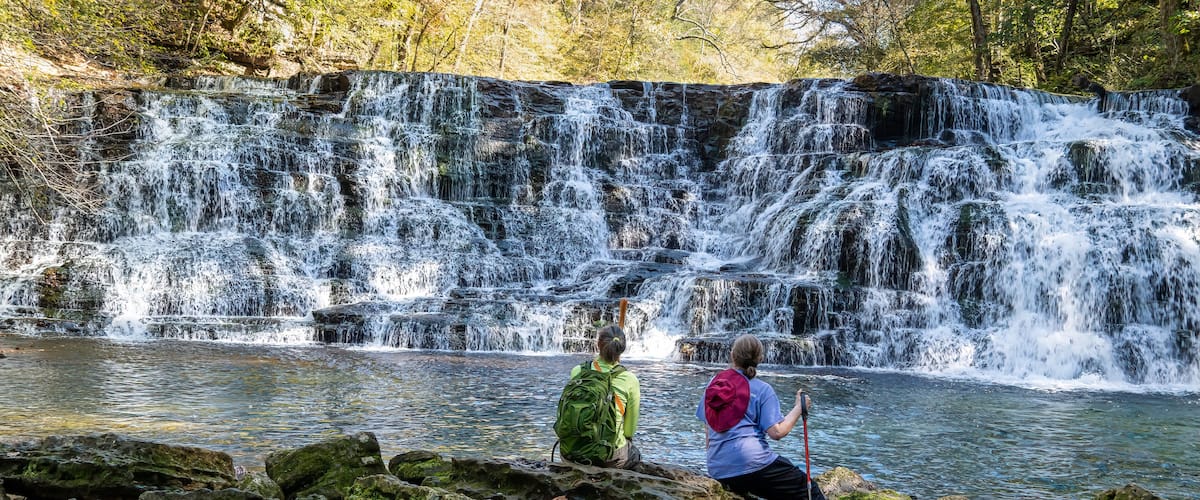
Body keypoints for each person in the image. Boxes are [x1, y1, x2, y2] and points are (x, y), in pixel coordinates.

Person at [696, 334, 827, 500]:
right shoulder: (762, 389)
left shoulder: (714, 384)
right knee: (810, 491)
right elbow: (777, 432)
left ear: (732, 355)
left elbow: (709, 429)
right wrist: (798, 408)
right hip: (754, 466)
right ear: (760, 358)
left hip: (718, 468)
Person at [565, 325, 641, 469]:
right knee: (634, 454)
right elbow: (629, 431)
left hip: (570, 452)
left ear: (598, 344)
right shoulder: (630, 380)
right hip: (607, 458)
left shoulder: (578, 371)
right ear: (622, 349)